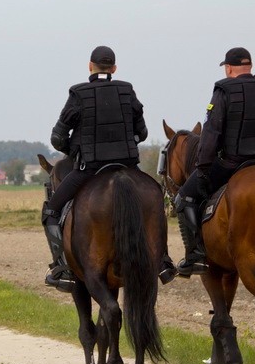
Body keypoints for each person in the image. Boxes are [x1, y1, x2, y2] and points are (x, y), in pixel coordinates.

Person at [42, 45, 176, 291]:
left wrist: (75, 149)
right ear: (114, 68)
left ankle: (62, 268)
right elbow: (142, 132)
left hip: (89, 170)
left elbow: (57, 138)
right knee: (155, 198)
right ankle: (163, 261)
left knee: (50, 211)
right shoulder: (127, 91)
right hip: (128, 166)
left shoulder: (78, 94)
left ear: (89, 66)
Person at [175, 47, 255, 277]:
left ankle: (196, 255)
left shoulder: (224, 90)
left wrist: (203, 167)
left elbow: (211, 133)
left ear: (229, 67)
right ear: (250, 66)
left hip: (233, 163)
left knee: (183, 198)